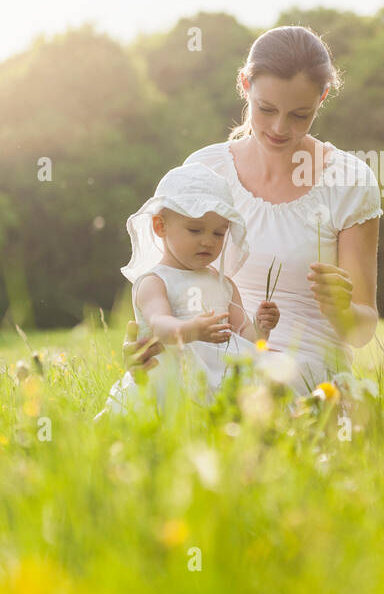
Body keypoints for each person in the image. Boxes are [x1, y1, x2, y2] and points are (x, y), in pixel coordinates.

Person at [179, 25, 383, 395]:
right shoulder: (204, 170)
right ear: (245, 84)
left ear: (322, 98)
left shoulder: (349, 181)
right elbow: (168, 281)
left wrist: (341, 309)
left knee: (261, 396)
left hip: (304, 366)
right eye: (266, 109)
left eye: (299, 115)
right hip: (220, 354)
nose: (279, 128)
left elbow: (363, 330)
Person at [99, 163, 280, 418]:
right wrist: (193, 330)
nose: (208, 240)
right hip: (172, 375)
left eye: (219, 233)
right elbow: (160, 325)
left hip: (220, 376)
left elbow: (243, 337)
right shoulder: (155, 281)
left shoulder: (224, 284)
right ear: (160, 226)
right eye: (195, 230)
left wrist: (261, 327)